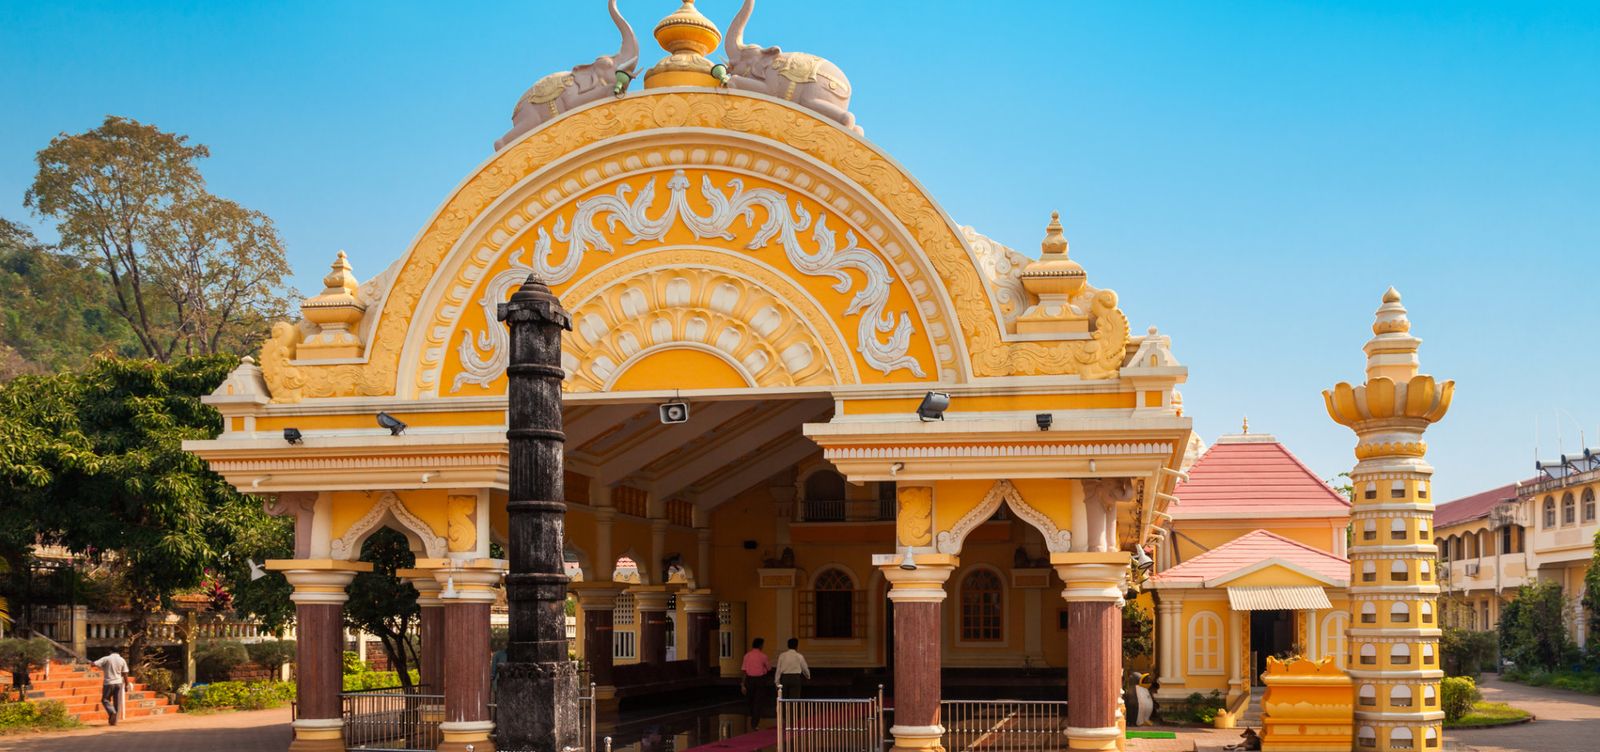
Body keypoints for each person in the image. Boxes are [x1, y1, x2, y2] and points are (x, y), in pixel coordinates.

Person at [92, 650, 129, 726]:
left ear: (110, 652)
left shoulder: (106, 658)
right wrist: (126, 685)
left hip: (108, 683)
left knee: (105, 700)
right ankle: (114, 721)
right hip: (118, 683)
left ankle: (112, 712)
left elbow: (94, 664)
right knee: (117, 702)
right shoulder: (122, 660)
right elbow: (125, 673)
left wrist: (91, 663)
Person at [740, 637, 771, 723]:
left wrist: (742, 684)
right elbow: (769, 668)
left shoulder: (747, 656)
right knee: (758, 700)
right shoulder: (763, 656)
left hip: (749, 680)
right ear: (760, 645)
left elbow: (744, 671)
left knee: (750, 700)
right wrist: (764, 669)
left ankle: (753, 717)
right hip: (760, 680)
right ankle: (755, 721)